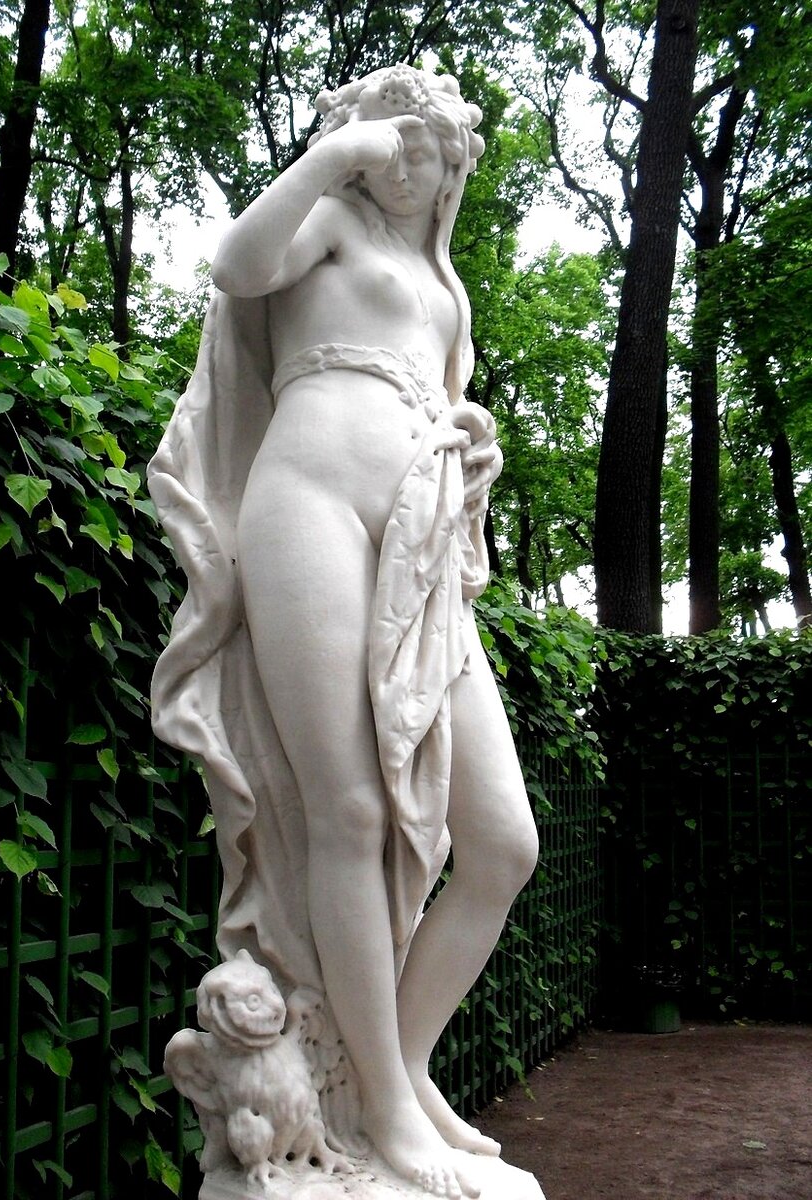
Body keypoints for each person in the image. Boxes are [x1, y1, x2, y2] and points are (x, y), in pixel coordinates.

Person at [149, 65, 539, 1200]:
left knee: (502, 842)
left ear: (456, 163)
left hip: (421, 544)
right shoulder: (326, 219)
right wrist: (338, 152)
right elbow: (237, 266)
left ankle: (397, 1076)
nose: (409, 157)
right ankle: (387, 1111)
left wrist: (471, 437)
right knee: (349, 810)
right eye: (393, 136)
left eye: (430, 143)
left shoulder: (446, 284)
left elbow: (435, 395)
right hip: (309, 505)